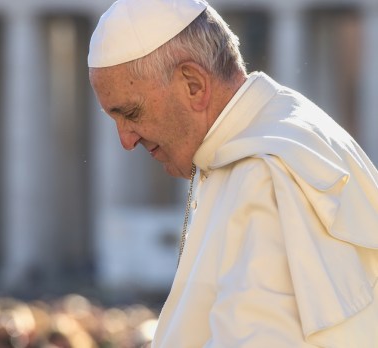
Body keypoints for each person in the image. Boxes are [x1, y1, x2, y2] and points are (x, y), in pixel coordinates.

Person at [88, 0, 378, 346]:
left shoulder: (263, 176)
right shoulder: (286, 130)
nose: (125, 140)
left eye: (131, 113)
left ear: (193, 84)